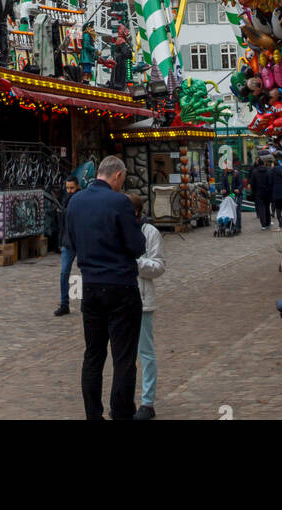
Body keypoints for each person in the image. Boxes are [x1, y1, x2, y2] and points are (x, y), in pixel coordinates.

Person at [65, 155, 146, 421]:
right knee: (123, 357)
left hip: (90, 285)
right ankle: (121, 413)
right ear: (118, 175)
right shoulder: (119, 202)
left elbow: (71, 242)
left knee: (93, 355)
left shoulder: (76, 201)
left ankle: (93, 414)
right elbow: (137, 246)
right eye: (122, 179)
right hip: (120, 285)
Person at [128, 192, 166, 421]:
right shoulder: (117, 232)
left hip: (142, 300)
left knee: (145, 352)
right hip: (120, 299)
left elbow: (159, 266)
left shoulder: (150, 233)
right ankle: (125, 399)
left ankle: (147, 401)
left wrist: (135, 264)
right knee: (124, 355)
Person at [54, 177, 80, 316]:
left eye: (72, 188)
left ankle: (84, 301)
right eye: (68, 188)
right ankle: (65, 303)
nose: (69, 191)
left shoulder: (80, 199)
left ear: (77, 186)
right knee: (64, 273)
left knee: (84, 272)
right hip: (67, 241)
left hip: (80, 241)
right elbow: (62, 224)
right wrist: (60, 241)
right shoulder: (65, 200)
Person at [248, 157, 273, 228]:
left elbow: (252, 183)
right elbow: (270, 182)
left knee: (261, 207)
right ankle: (268, 222)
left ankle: (263, 224)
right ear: (264, 163)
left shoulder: (254, 172)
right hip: (267, 192)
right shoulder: (268, 171)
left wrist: (254, 191)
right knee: (267, 207)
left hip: (258, 192)